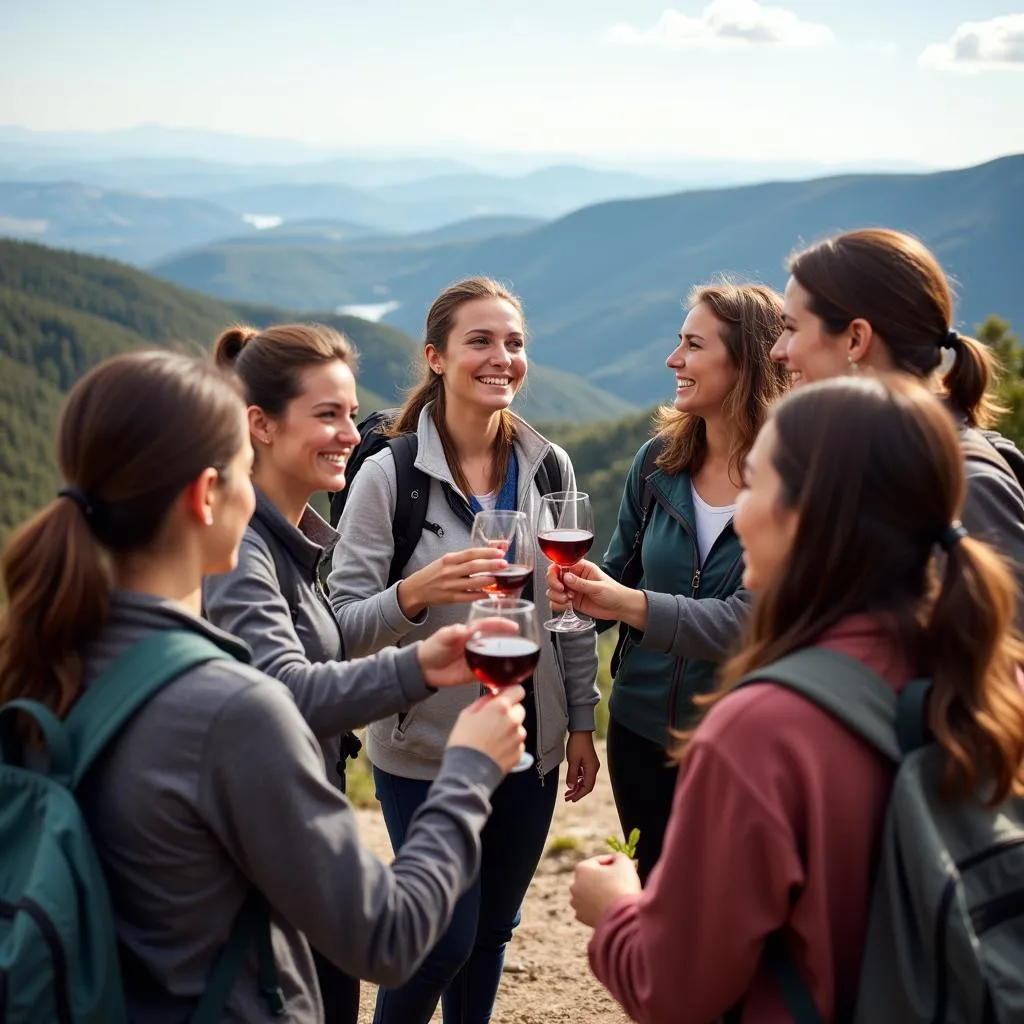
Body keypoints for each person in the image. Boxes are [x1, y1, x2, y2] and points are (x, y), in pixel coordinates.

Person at [0, 349, 528, 1022]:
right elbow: (388, 938)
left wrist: (414, 665)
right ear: (206, 495)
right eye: (244, 470)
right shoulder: (233, 713)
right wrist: (470, 769)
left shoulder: (44, 661)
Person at [569, 374, 1024, 1023]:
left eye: (753, 482)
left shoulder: (762, 730)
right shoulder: (993, 677)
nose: (739, 509)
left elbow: (675, 990)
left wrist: (614, 909)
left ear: (807, 510)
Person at [203, 322, 511, 1023]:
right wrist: (422, 668)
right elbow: (283, 692)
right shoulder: (243, 554)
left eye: (350, 413)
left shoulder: (290, 540)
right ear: (262, 425)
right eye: (326, 416)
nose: (351, 434)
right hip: (269, 853)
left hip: (304, 834)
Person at [328, 276, 601, 1023]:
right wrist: (418, 591)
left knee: (491, 934)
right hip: (425, 750)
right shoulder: (390, 476)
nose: (502, 357)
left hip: (529, 745)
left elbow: (568, 612)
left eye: (513, 342)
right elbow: (342, 625)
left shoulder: (549, 469)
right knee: (440, 938)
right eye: (480, 341)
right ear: (436, 359)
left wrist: (579, 721)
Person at [547, 283, 788, 881]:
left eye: (692, 344)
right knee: (657, 899)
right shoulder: (658, 462)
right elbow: (618, 574)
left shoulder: (794, 480)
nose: (672, 359)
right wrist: (578, 594)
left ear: (746, 362)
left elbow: (750, 623)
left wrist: (626, 603)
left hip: (741, 744)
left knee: (729, 915)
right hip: (639, 731)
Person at [770, 226, 1024, 593]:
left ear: (856, 339)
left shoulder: (964, 486)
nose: (779, 351)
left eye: (792, 328)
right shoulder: (883, 464)